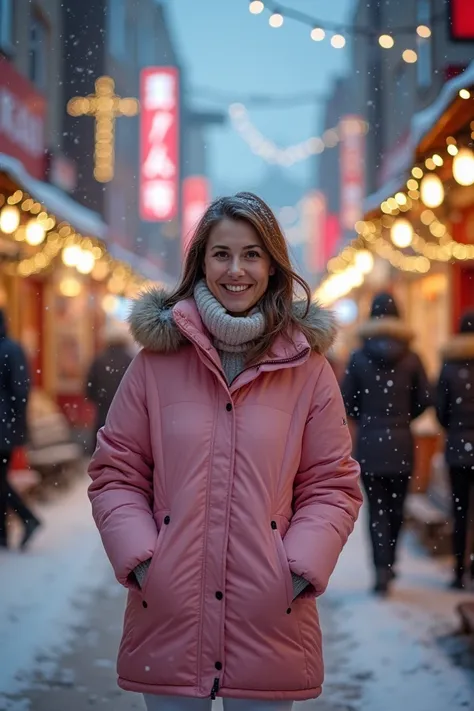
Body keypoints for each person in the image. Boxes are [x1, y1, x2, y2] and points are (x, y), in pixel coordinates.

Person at [88, 192, 362, 711]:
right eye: (221, 254)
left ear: (273, 265)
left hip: (269, 618)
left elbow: (331, 484)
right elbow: (116, 473)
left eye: (252, 254)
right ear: (201, 263)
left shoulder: (308, 370)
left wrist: (294, 570)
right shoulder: (156, 364)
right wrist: (148, 562)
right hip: (170, 615)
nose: (236, 270)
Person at [341, 292, 431, 595]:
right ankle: (390, 561)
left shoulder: (358, 356)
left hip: (369, 444)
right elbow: (425, 399)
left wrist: (368, 418)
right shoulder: (412, 356)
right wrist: (402, 418)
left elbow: (348, 402)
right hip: (402, 443)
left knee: (377, 509)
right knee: (396, 508)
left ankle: (380, 566)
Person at [436, 311, 474, 589]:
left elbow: (440, 410)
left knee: (459, 511)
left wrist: (455, 429)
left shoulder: (449, 367)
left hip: (458, 448)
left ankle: (459, 570)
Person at [0, 309, 41, 550]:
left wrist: (18, 428)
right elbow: (21, 391)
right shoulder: (13, 349)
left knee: (0, 480)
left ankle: (28, 518)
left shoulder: (10, 350)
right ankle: (5, 532)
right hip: (5, 426)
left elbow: (20, 391)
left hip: (3, 427)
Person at [85, 321, 133, 446]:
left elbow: (89, 390)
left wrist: (101, 399)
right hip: (126, 417)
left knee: (101, 447)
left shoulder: (99, 360)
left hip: (103, 415)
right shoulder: (131, 361)